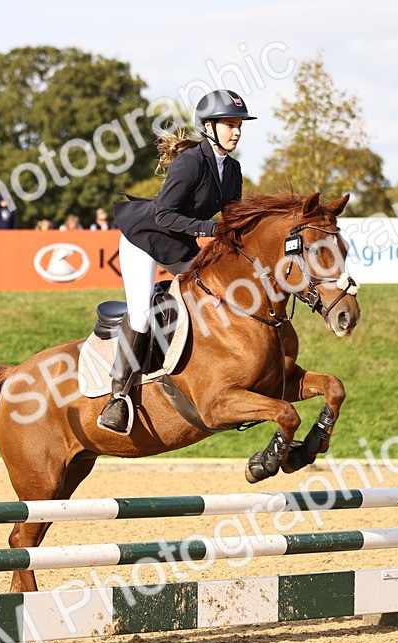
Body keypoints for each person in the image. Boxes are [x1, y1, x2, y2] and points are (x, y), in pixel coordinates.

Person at [98, 89, 252, 435]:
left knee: (213, 295)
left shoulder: (233, 169)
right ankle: (118, 397)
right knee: (140, 313)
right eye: (230, 124)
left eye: (240, 125)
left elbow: (233, 218)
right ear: (209, 127)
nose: (237, 131)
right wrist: (208, 228)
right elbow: (164, 214)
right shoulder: (191, 162)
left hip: (179, 242)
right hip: (144, 236)